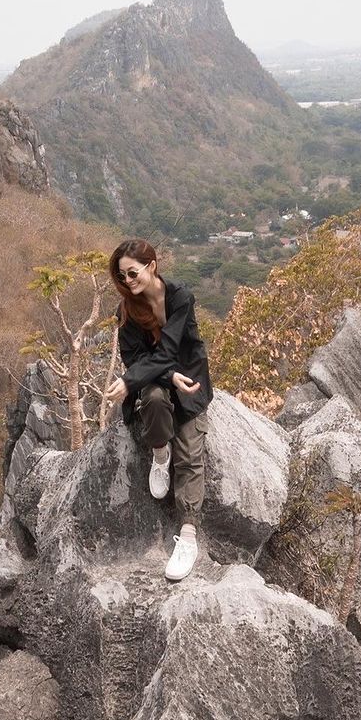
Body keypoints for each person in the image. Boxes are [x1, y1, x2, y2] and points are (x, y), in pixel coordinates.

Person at [104, 238, 213, 581]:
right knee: (151, 399)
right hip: (159, 378)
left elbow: (170, 350)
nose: (128, 282)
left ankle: (189, 535)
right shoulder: (127, 311)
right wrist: (158, 376)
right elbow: (135, 358)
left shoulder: (180, 297)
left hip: (190, 378)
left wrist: (131, 380)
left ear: (151, 266)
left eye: (132, 273)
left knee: (192, 452)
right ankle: (159, 455)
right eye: (122, 277)